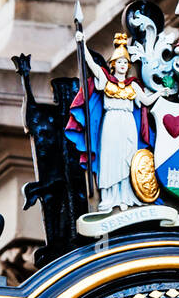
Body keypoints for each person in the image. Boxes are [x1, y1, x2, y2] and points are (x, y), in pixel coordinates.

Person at [65, 34, 158, 210]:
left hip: (128, 123)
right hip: (111, 122)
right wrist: (81, 42)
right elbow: (91, 63)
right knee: (110, 158)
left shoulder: (133, 85)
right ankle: (109, 198)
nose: (123, 65)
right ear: (113, 64)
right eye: (120, 62)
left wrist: (161, 93)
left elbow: (146, 101)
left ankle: (126, 197)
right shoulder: (106, 80)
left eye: (125, 63)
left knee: (127, 158)